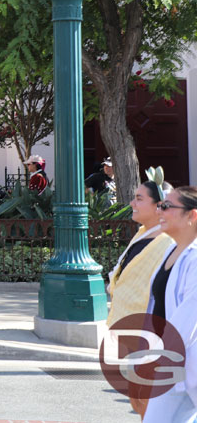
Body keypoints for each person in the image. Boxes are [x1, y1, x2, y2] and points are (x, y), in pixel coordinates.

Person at [105, 178, 175, 417]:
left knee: (147, 402)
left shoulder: (169, 243)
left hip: (154, 334)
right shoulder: (143, 234)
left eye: (139, 198)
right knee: (138, 400)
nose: (132, 203)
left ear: (159, 206)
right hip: (136, 332)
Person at [140, 185, 197, 422]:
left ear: (192, 215)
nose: (160, 211)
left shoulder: (195, 258)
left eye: (167, 206)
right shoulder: (171, 250)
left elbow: (189, 313)